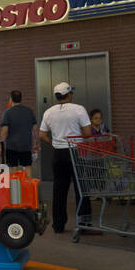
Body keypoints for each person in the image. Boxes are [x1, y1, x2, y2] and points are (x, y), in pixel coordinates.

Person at [39, 82, 95, 235]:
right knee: (81, 189)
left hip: (58, 154)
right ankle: (84, 224)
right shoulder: (78, 109)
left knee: (59, 190)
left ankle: (58, 225)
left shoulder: (49, 112)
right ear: (69, 94)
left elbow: (42, 135)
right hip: (76, 152)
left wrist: (55, 142)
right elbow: (88, 133)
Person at [0, 90, 37, 169]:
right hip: (26, 145)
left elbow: (4, 131)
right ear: (21, 99)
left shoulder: (7, 113)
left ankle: (15, 182)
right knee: (27, 167)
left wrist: (0, 146)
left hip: (12, 146)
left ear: (11, 99)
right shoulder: (29, 111)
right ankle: (28, 181)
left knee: (13, 168)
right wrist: (36, 143)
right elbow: (35, 129)